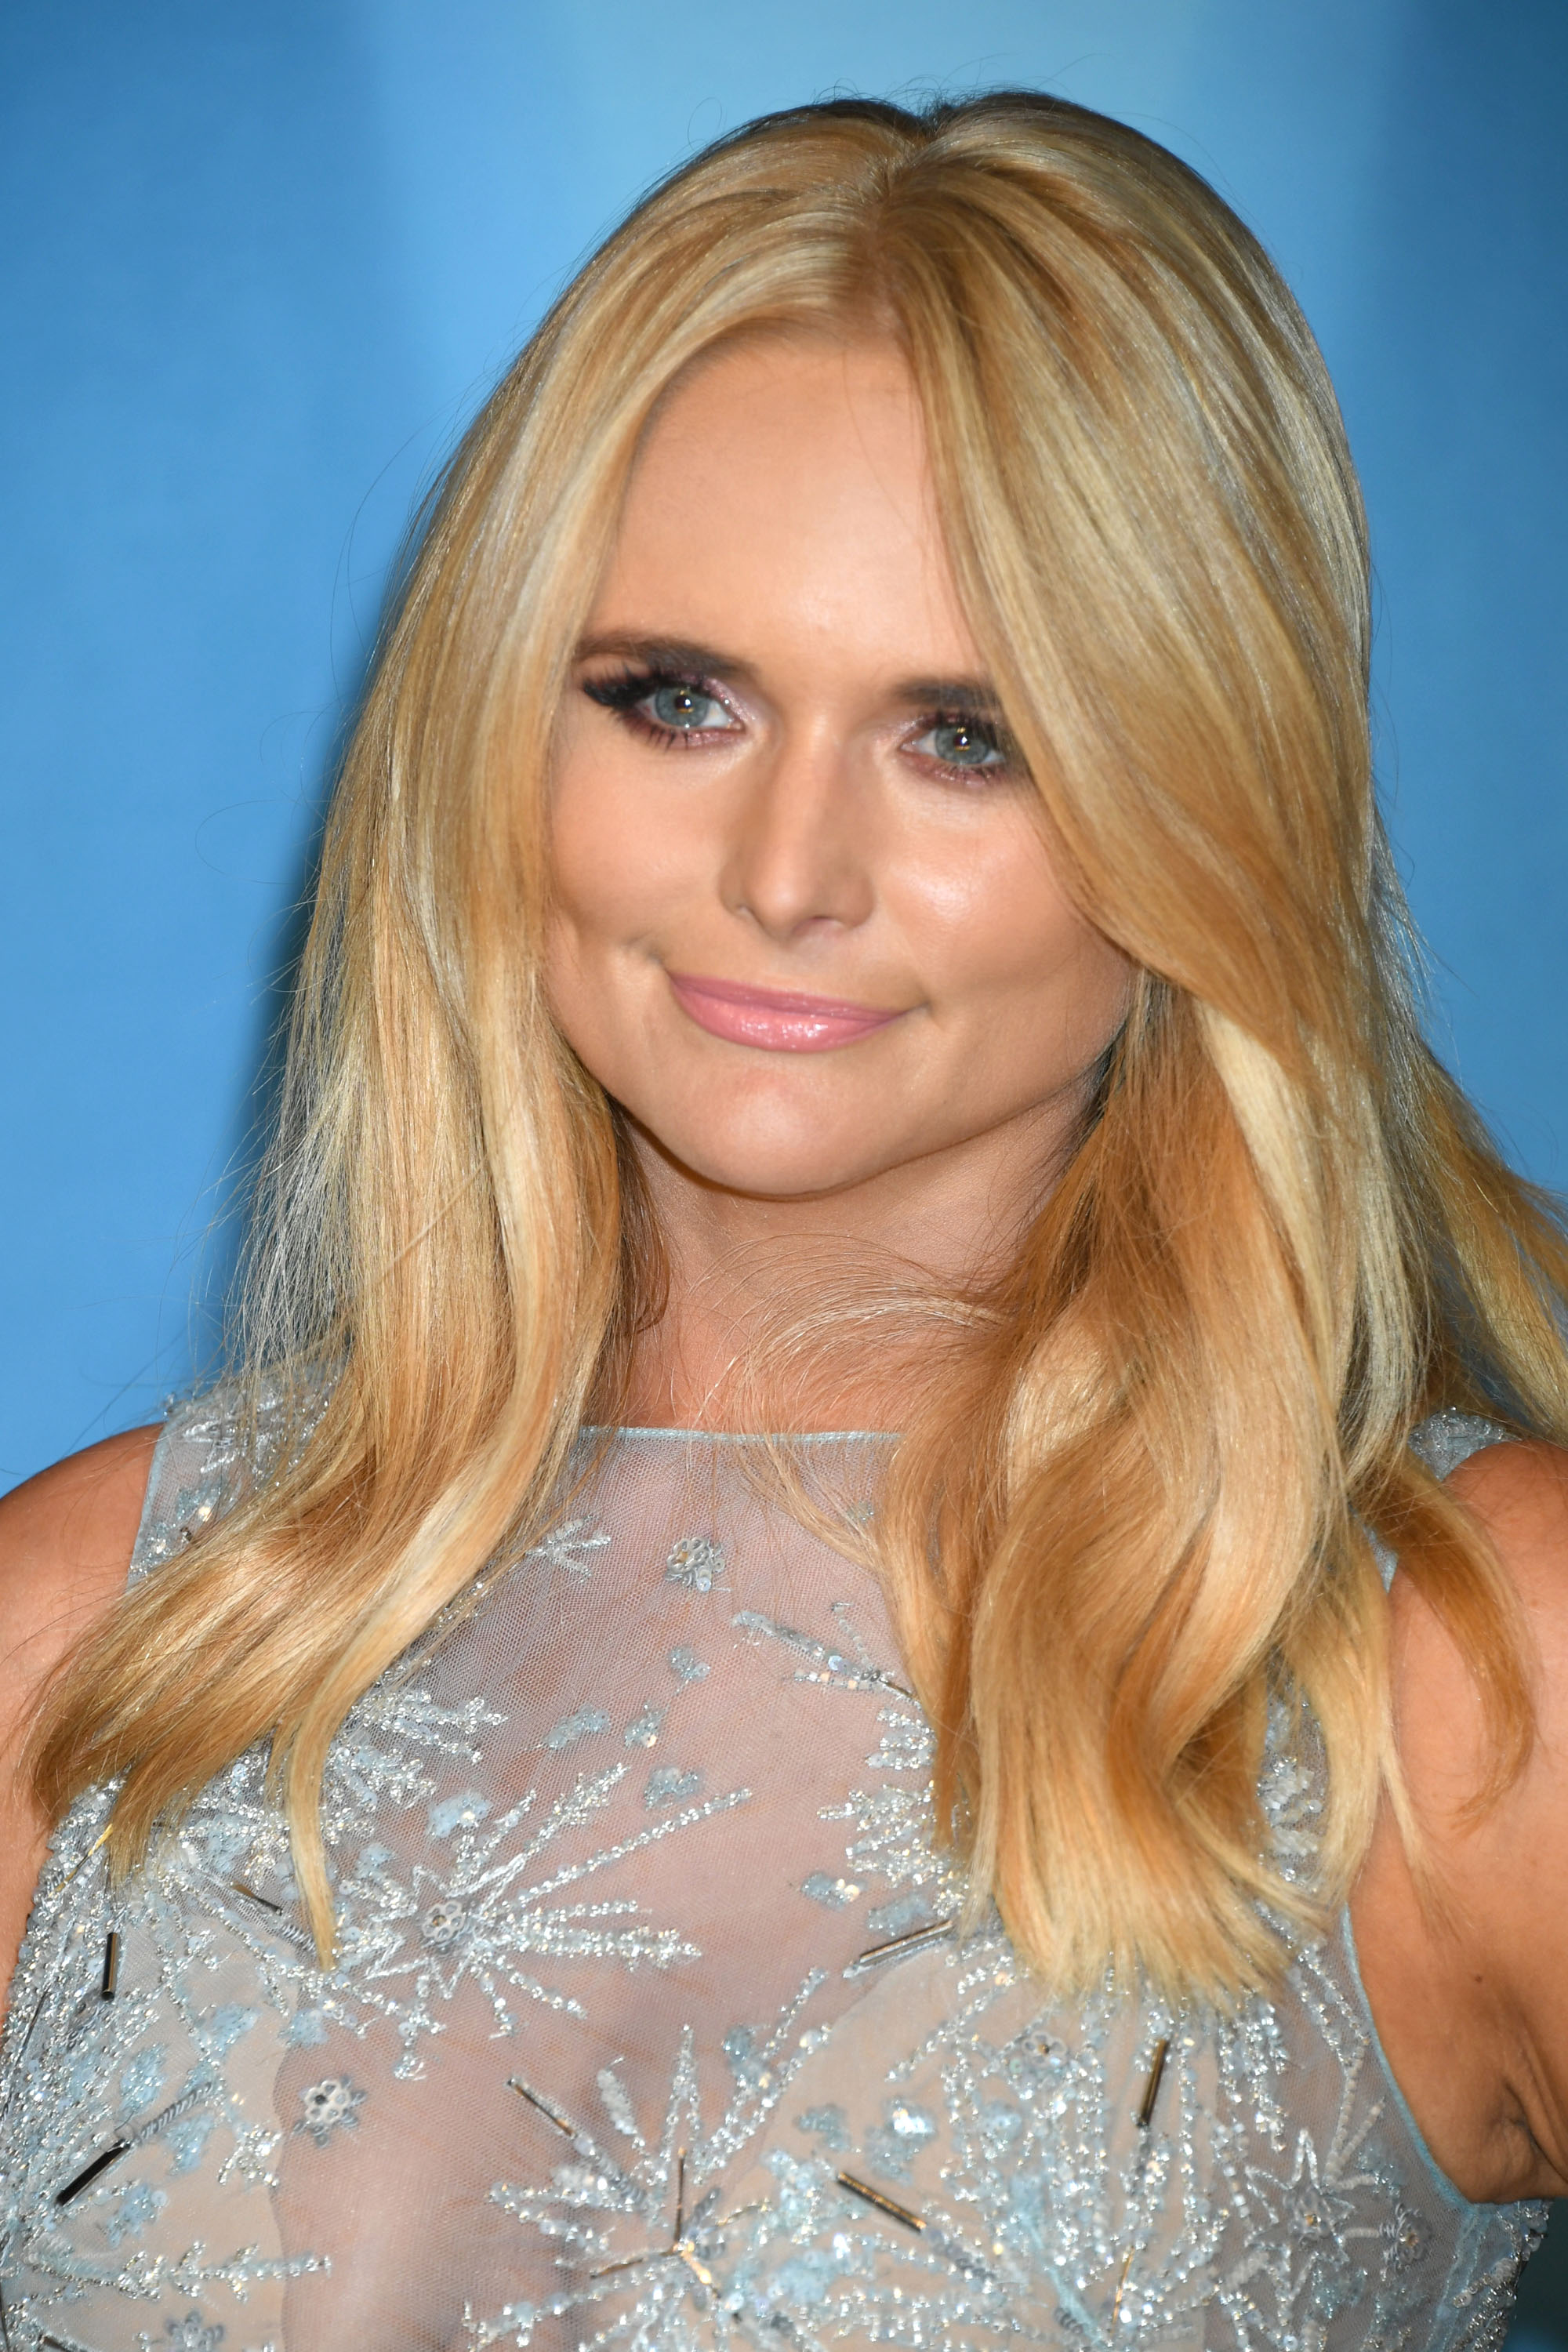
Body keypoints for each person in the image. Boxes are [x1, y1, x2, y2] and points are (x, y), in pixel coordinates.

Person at [1, 89, 1565, 2352]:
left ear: (1205, 794)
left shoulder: (1469, 1673)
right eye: (679, 701)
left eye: (969, 738)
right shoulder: (103, 1638)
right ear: (500, 737)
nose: (788, 873)